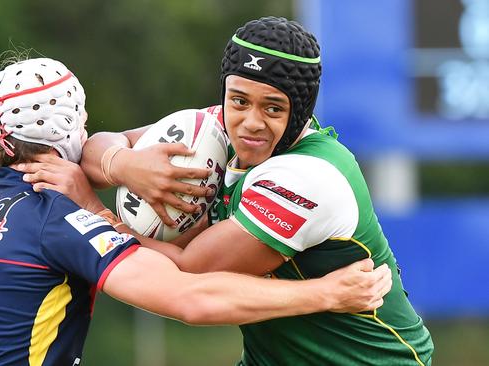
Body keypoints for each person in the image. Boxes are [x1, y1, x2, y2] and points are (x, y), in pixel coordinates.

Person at [21, 17, 434, 365]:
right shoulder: (216, 126)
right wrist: (126, 165)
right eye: (239, 100)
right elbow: (101, 146)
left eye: (273, 108)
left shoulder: (308, 177)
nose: (250, 122)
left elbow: (191, 271)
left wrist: (93, 210)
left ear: (301, 111)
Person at [0, 57, 392, 366]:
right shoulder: (61, 217)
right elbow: (192, 297)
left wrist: (122, 166)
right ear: (72, 125)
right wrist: (327, 294)